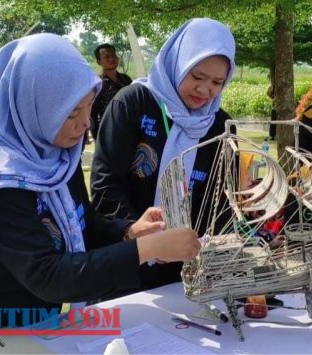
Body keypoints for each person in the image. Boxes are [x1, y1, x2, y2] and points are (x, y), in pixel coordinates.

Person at [0, 34, 200, 345]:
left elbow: (84, 222)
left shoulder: (54, 154)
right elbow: (47, 274)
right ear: (32, 106)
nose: (85, 125)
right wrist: (148, 249)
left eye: (88, 108)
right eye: (71, 114)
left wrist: (130, 232)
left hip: (36, 322)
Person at [90, 18, 236, 293]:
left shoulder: (220, 126)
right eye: (197, 77)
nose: (205, 91)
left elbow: (223, 198)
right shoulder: (132, 104)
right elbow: (105, 184)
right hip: (130, 262)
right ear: (177, 62)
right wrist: (140, 234)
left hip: (191, 270)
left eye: (217, 82)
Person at [89, 43, 133, 140]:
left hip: (131, 130)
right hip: (109, 133)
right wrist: (98, 139)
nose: (111, 59)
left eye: (113, 55)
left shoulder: (126, 79)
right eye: (106, 57)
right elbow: (92, 114)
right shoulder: (97, 84)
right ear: (98, 61)